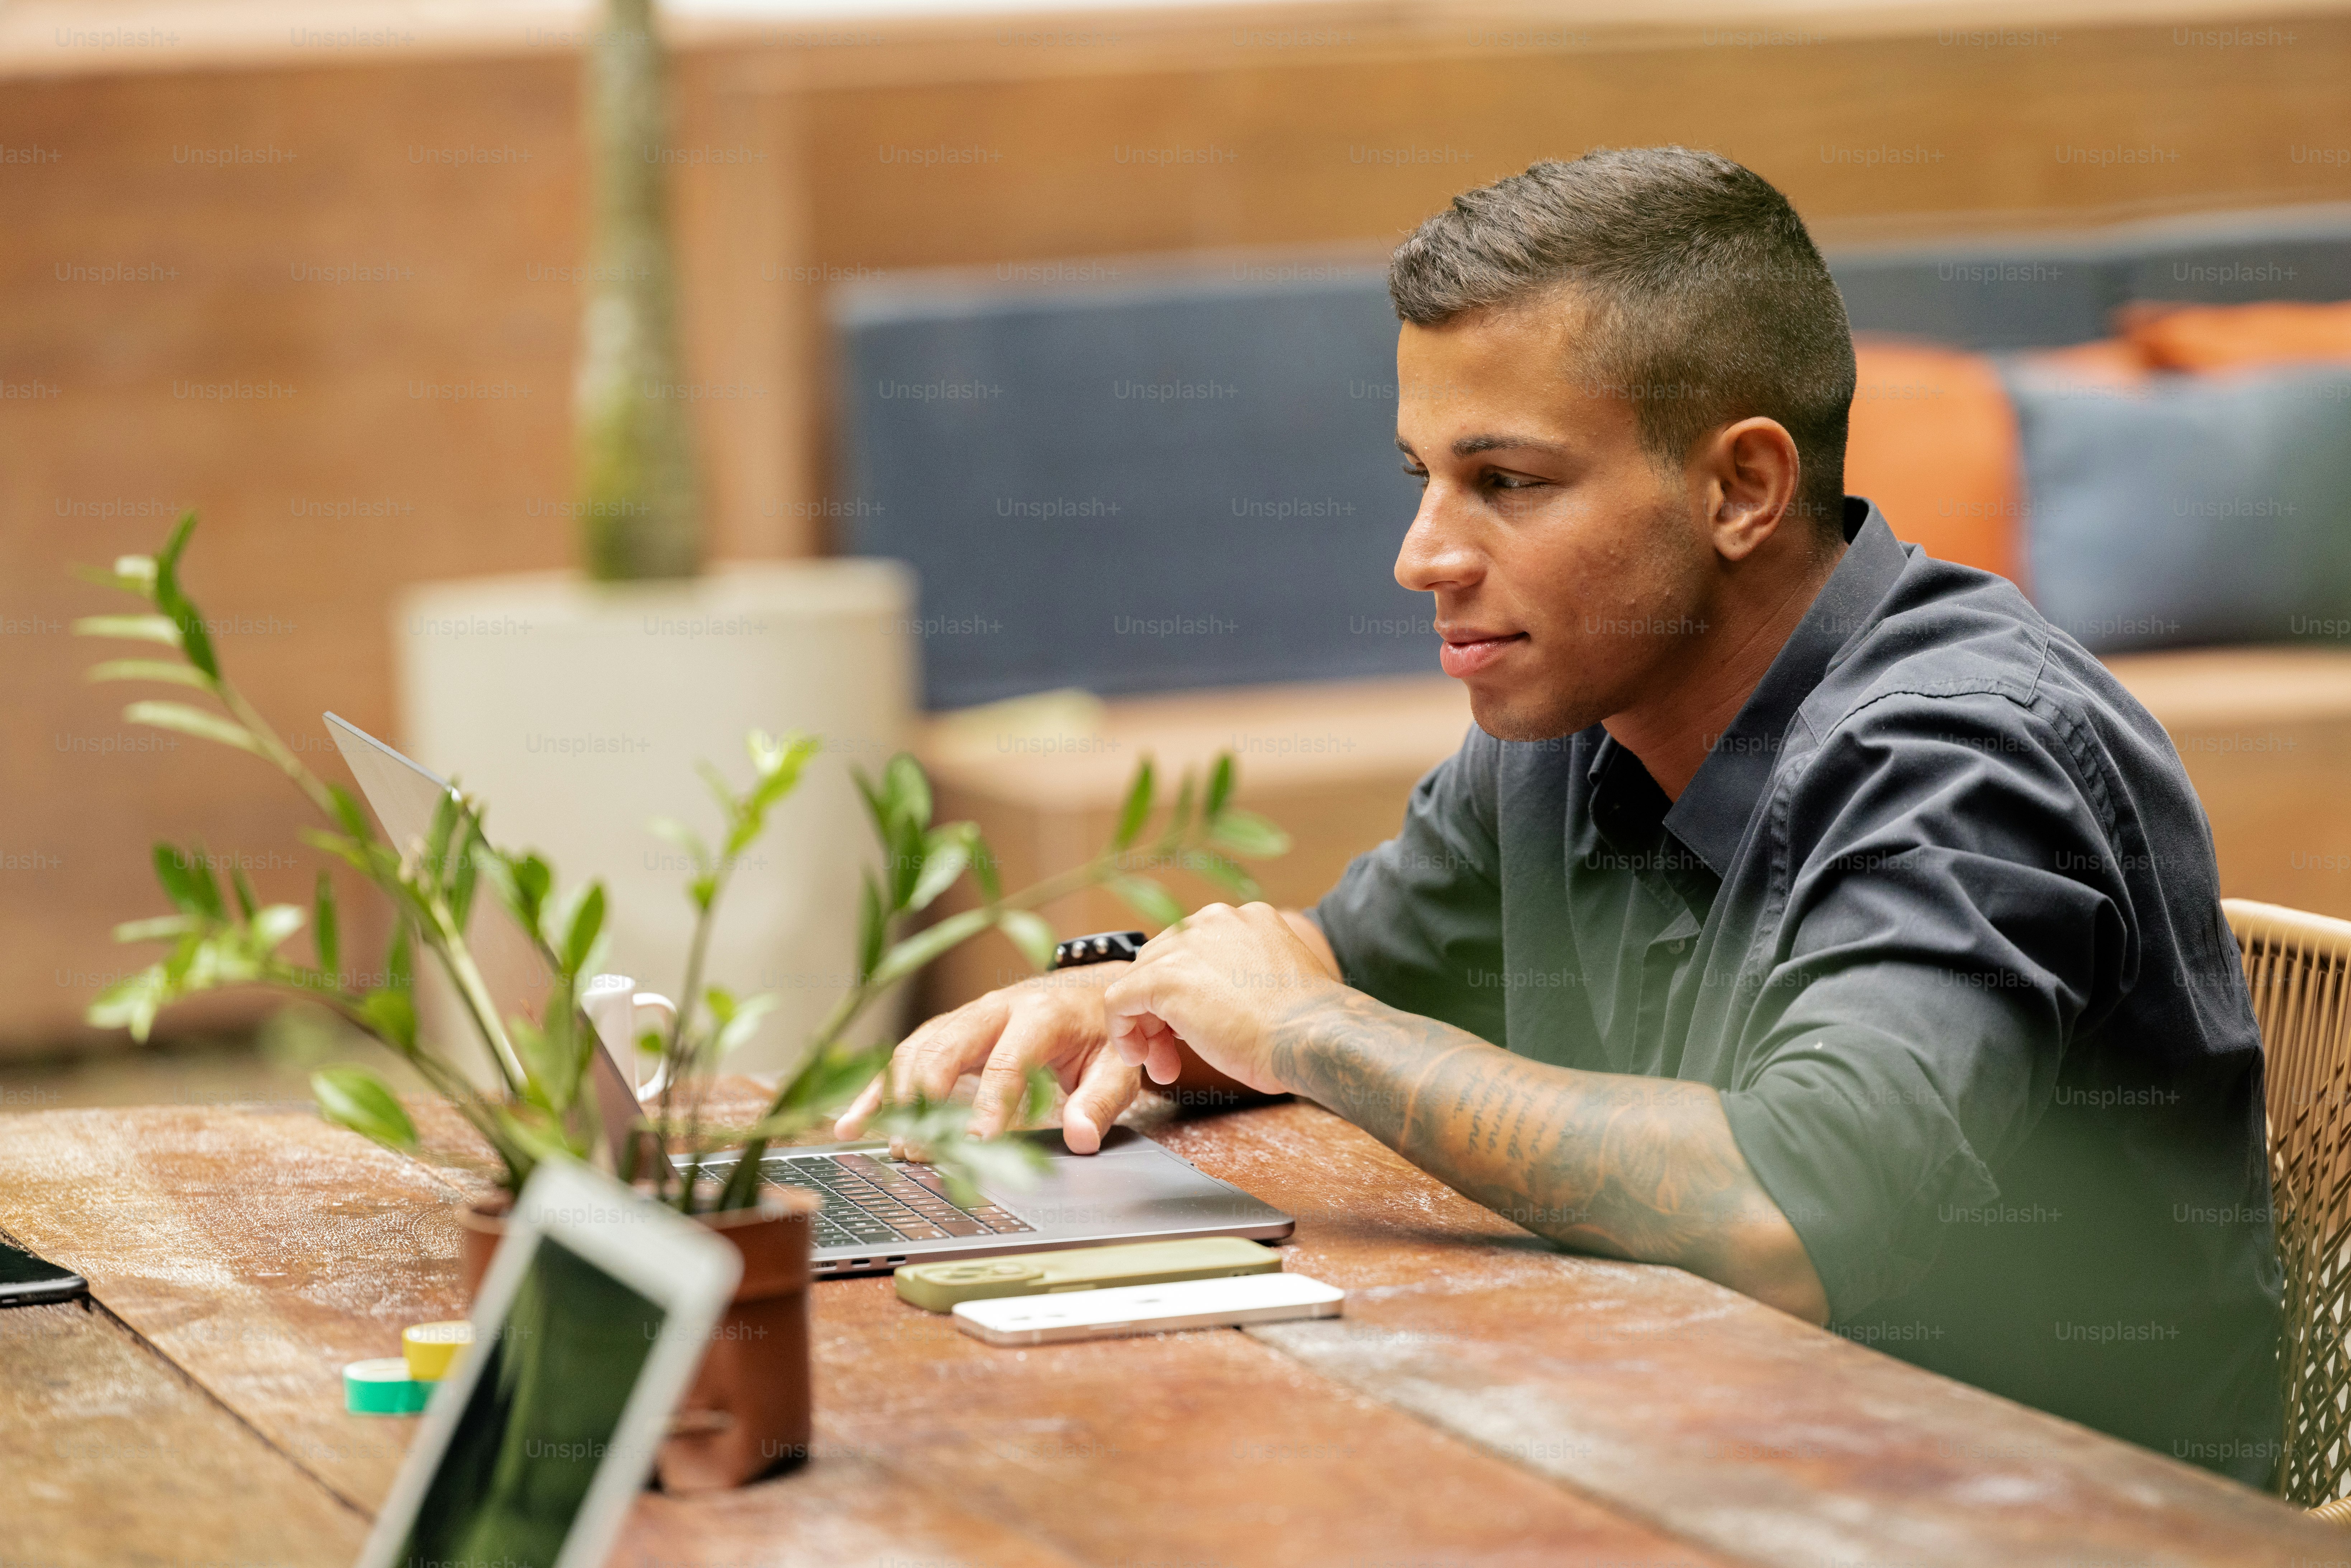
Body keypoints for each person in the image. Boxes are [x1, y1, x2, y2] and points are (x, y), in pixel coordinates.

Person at [837, 147, 2283, 1483]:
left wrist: (1304, 1031)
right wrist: (1134, 1000)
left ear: (1743, 488)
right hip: (1691, 1463)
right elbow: (1332, 974)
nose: (1422, 557)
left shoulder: (1968, 752)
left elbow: (1793, 1210)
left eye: (1505, 483)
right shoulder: (1573, 723)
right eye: (1424, 479)